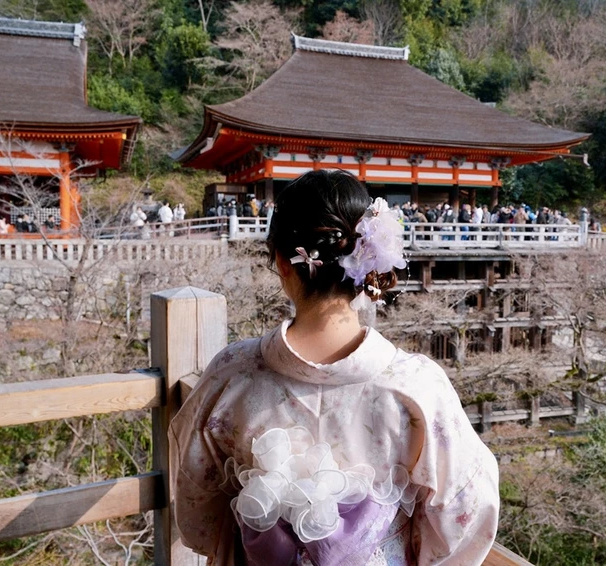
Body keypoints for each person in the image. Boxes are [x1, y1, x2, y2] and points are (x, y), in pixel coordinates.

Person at [170, 170, 499, 565]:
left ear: (282, 261)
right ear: (368, 266)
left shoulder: (232, 375)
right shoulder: (415, 388)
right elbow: (466, 509)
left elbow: (197, 512)